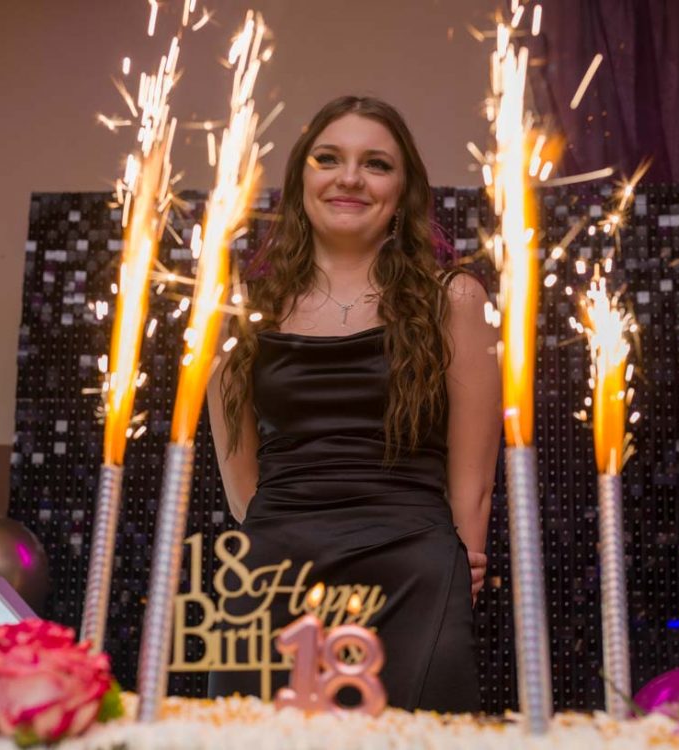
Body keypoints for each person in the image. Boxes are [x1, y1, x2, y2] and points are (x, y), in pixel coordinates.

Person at [206, 95, 501, 713]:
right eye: (329, 159)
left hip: (414, 575)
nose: (349, 178)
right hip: (272, 580)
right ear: (300, 178)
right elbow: (241, 485)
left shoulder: (455, 299)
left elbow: (473, 480)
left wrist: (458, 569)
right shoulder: (239, 310)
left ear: (404, 190)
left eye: (376, 164)